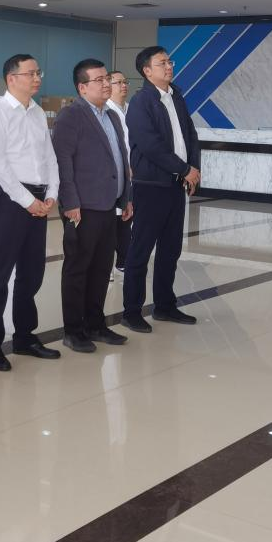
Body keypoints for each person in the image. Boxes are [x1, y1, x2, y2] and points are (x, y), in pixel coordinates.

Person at [0, 54, 62, 371]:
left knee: (32, 272)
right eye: (31, 73)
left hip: (39, 198)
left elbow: (49, 157)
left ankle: (25, 337)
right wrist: (27, 200)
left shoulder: (37, 112)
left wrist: (51, 194)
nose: (37, 78)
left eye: (39, 72)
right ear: (11, 78)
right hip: (11, 200)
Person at [52, 59, 133, 353]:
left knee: (101, 268)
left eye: (107, 79)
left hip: (109, 205)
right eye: (99, 80)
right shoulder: (71, 116)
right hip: (82, 207)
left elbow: (121, 159)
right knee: (78, 269)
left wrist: (126, 197)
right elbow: (63, 163)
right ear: (82, 87)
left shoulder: (111, 116)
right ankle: (73, 331)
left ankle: (96, 324)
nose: (106, 84)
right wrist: (70, 203)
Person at [122, 45, 201, 332]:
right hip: (151, 185)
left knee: (171, 249)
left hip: (175, 184)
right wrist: (184, 168)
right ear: (147, 71)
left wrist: (193, 168)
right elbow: (150, 145)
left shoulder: (176, 96)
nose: (169, 66)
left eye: (169, 62)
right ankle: (131, 311)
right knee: (141, 250)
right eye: (162, 63)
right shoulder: (141, 102)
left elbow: (190, 135)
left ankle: (165, 306)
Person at [106, 70, 133, 272]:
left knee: (127, 217)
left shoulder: (131, 109)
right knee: (112, 221)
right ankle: (108, 265)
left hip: (133, 174)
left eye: (125, 82)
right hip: (115, 174)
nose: (123, 86)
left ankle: (123, 261)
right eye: (118, 82)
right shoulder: (106, 111)